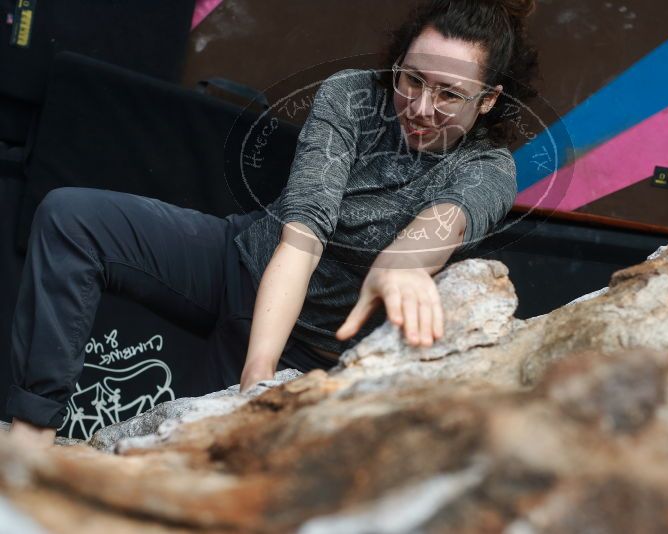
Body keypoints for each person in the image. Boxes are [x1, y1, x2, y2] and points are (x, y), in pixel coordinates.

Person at [7, 0, 539, 447]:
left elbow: (446, 218)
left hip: (309, 352)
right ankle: (29, 436)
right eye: (412, 80)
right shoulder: (352, 96)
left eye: (448, 93)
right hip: (243, 260)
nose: (421, 106)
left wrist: (402, 265)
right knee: (71, 217)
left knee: (200, 469)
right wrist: (255, 376)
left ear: (488, 100)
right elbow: (302, 238)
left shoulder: (489, 169)